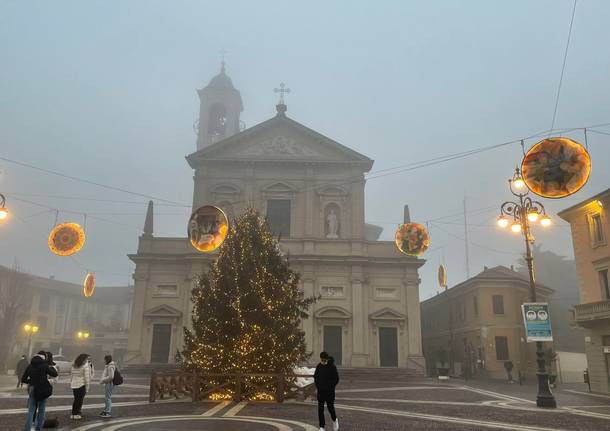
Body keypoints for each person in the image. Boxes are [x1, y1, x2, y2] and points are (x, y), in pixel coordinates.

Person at [21, 351, 58, 431]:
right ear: (44, 358)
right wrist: (50, 366)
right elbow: (55, 374)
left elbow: (23, 379)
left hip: (32, 388)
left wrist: (31, 381)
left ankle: (27, 429)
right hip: (42, 389)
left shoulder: (30, 366)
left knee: (31, 411)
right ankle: (39, 429)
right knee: (41, 410)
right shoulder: (44, 365)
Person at [314, 351, 339, 431]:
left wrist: (330, 387)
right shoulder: (319, 366)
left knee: (330, 408)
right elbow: (316, 377)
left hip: (329, 392)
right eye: (322, 360)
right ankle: (322, 426)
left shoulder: (332, 367)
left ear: (327, 359)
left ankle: (335, 420)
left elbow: (336, 379)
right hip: (321, 392)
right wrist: (318, 386)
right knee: (320, 410)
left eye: (324, 360)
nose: (323, 362)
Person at [70, 353, 91, 420]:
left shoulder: (74, 365)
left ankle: (73, 413)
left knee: (76, 400)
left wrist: (71, 382)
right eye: (86, 359)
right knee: (79, 400)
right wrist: (87, 388)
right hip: (81, 385)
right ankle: (76, 414)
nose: (87, 360)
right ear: (84, 359)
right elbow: (86, 378)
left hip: (74, 385)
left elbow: (71, 375)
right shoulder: (85, 366)